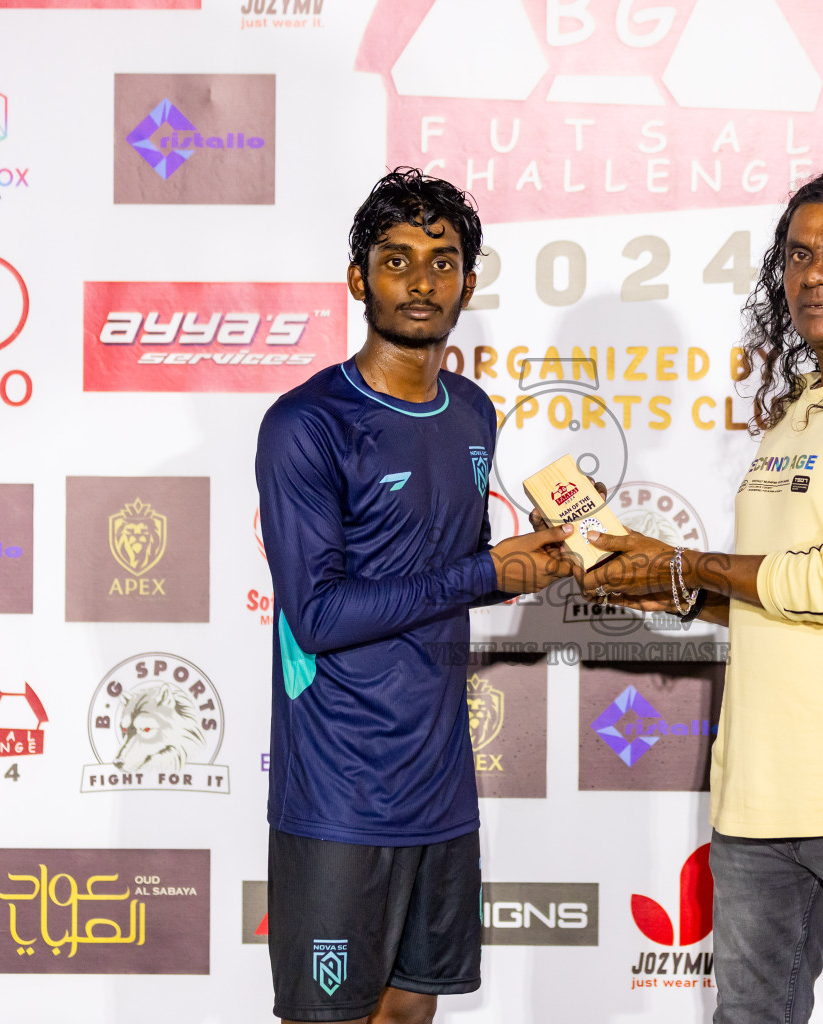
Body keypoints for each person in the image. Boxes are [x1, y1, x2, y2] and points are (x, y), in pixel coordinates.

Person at [577, 169, 823, 1024]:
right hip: (762, 798)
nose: (814, 275)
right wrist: (670, 580)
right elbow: (781, 603)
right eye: (799, 256)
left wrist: (691, 560)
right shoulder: (798, 410)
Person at [255, 167, 571, 1024]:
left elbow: (445, 569)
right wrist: (487, 572)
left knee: (408, 1015)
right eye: (396, 260)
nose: (421, 280)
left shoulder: (472, 412)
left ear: (469, 280)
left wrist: (542, 555)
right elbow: (317, 617)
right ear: (358, 279)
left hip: (439, 786)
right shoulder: (306, 423)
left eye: (443, 260)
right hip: (340, 790)